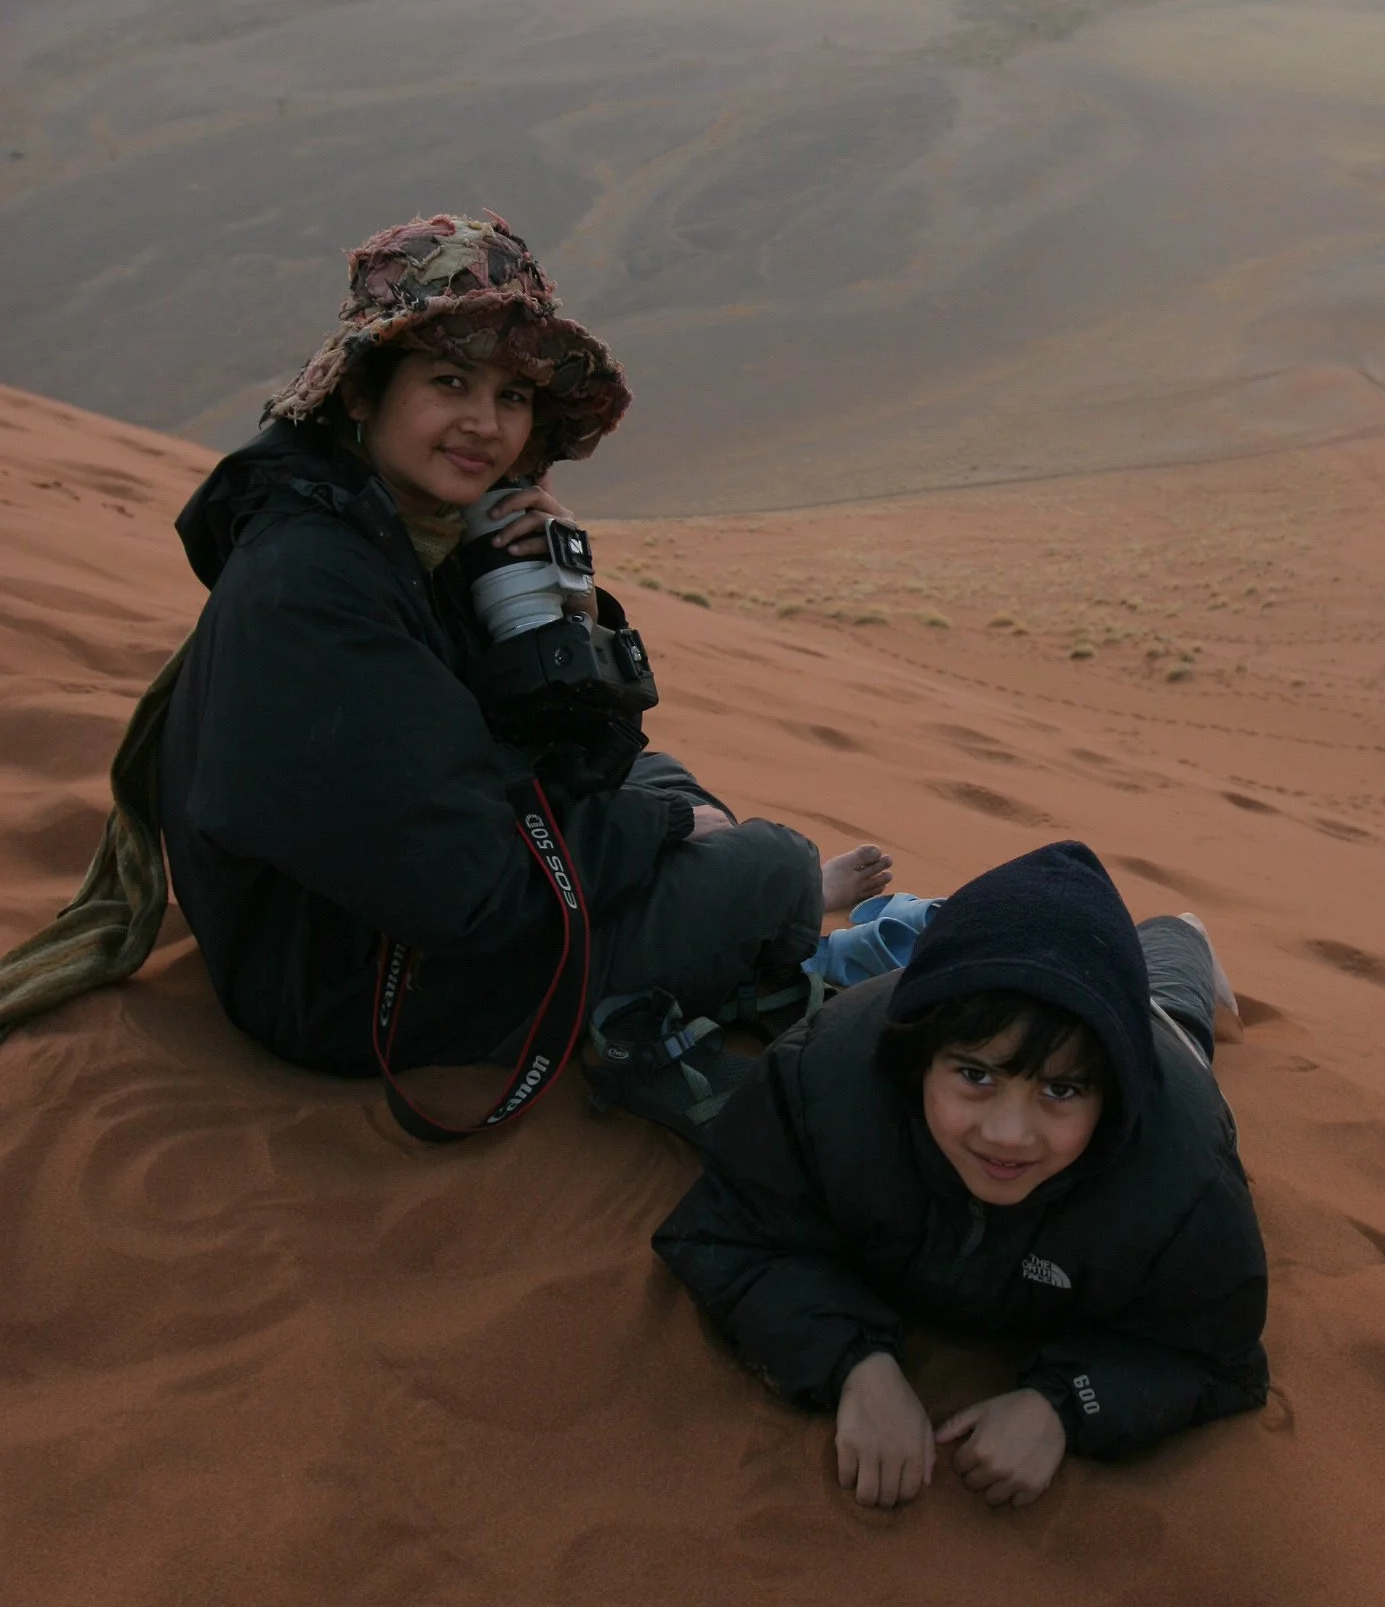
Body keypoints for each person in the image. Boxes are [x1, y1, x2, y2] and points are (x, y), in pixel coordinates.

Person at [148, 212, 890, 1109]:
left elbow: (565, 759)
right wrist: (656, 837)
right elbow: (467, 888)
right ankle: (777, 912)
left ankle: (745, 914)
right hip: (344, 985)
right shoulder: (312, 580)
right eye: (449, 380)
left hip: (390, 913)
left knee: (672, 785)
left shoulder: (414, 534)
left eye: (511, 396)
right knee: (764, 859)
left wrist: (556, 607)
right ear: (360, 392)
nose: (483, 424)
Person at [653, 841, 1269, 1510]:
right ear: (921, 1058)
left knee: (1174, 1014)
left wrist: (1066, 1405)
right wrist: (850, 1362)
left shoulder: (1183, 1175)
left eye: (1061, 1092)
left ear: (1110, 1095)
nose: (1008, 1134)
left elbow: (1214, 1352)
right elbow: (728, 1231)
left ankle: (1181, 938)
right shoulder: (819, 1079)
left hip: (1151, 1044)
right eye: (976, 1076)